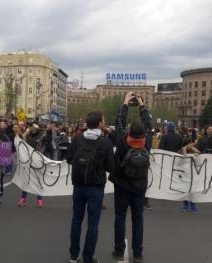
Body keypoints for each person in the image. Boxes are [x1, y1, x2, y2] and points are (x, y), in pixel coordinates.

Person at [67, 110, 116, 263]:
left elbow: (69, 158)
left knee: (76, 220)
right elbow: (110, 167)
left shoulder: (77, 138)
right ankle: (88, 257)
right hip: (96, 187)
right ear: (100, 124)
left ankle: (74, 255)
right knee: (93, 223)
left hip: (79, 185)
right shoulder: (105, 142)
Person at [110, 92, 151, 263]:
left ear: (129, 132)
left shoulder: (121, 140)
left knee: (120, 217)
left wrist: (125, 102)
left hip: (122, 185)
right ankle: (138, 253)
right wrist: (142, 105)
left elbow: (119, 122)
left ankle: (119, 251)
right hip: (139, 186)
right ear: (143, 133)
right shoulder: (147, 140)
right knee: (138, 219)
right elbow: (148, 123)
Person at [19, 123, 44, 208]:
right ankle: (23, 199)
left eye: (32, 126)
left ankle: (39, 200)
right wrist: (25, 133)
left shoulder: (41, 135)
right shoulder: (27, 135)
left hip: (37, 159)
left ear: (36, 128)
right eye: (30, 126)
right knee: (26, 179)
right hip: (28, 158)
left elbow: (41, 144)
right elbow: (22, 141)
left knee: (37, 180)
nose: (30, 127)